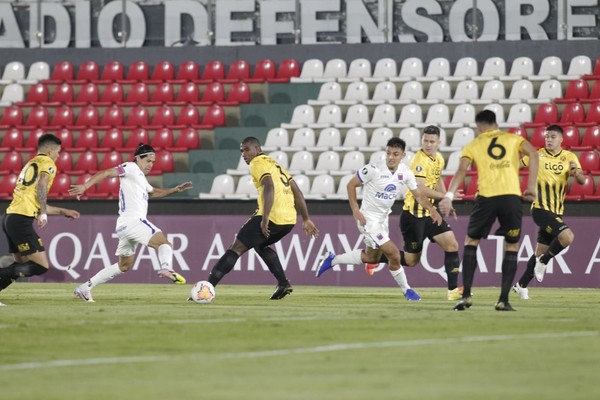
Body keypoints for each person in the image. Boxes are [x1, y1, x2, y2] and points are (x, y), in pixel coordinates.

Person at [315, 137, 443, 301]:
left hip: (383, 221)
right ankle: (407, 291)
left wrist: (432, 209)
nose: (391, 157)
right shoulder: (374, 169)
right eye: (388, 153)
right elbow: (350, 185)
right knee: (394, 254)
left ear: (403, 155)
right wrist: (355, 210)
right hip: (367, 220)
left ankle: (333, 260)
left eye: (395, 154)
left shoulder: (405, 172)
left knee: (371, 258)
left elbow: (418, 195)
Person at [439, 110, 539, 311]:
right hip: (511, 197)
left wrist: (448, 196)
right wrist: (531, 186)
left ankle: (466, 296)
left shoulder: (473, 145)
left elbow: (461, 171)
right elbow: (535, 154)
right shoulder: (513, 139)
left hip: (486, 197)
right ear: (496, 123)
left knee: (471, 241)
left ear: (478, 126)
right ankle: (503, 300)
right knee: (511, 245)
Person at [68, 143, 192, 302]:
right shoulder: (131, 167)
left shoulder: (140, 177)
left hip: (124, 225)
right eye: (148, 160)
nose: (150, 165)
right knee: (164, 244)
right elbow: (107, 173)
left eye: (153, 162)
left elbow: (154, 192)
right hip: (134, 221)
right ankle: (166, 267)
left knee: (123, 266)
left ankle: (85, 288)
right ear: (138, 158)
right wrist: (85, 186)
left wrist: (175, 190)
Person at [203, 136, 319, 300]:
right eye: (242, 151)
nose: (244, 154)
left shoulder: (257, 163)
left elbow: (269, 186)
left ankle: (206, 288)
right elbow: (297, 192)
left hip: (272, 216)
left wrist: (265, 219)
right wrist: (306, 219)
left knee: (236, 248)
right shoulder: (275, 165)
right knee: (260, 246)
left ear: (257, 149)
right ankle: (283, 283)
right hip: (288, 221)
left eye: (247, 149)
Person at [366, 125, 463, 301]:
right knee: (411, 261)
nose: (428, 144)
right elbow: (421, 188)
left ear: (439, 143)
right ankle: (376, 258)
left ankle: (453, 291)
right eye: (425, 140)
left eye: (432, 141)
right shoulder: (419, 161)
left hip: (430, 215)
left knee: (452, 244)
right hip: (413, 218)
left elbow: (437, 177)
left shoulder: (439, 159)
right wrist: (447, 195)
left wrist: (445, 200)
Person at [1, 133, 80, 306]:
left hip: (10, 218)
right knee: (41, 266)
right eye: (58, 152)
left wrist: (63, 211)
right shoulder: (47, 163)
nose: (58, 156)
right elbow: (42, 186)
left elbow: (35, 200)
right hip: (21, 220)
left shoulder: (30, 164)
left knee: (20, 263)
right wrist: (43, 213)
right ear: (51, 150)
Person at [513, 125, 585, 299]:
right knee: (567, 237)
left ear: (561, 139)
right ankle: (544, 262)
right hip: (540, 209)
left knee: (539, 251)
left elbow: (582, 180)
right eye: (547, 137)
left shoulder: (569, 157)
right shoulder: (536, 155)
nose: (549, 140)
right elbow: (515, 165)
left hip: (556, 212)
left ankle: (521, 285)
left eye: (553, 137)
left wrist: (576, 173)